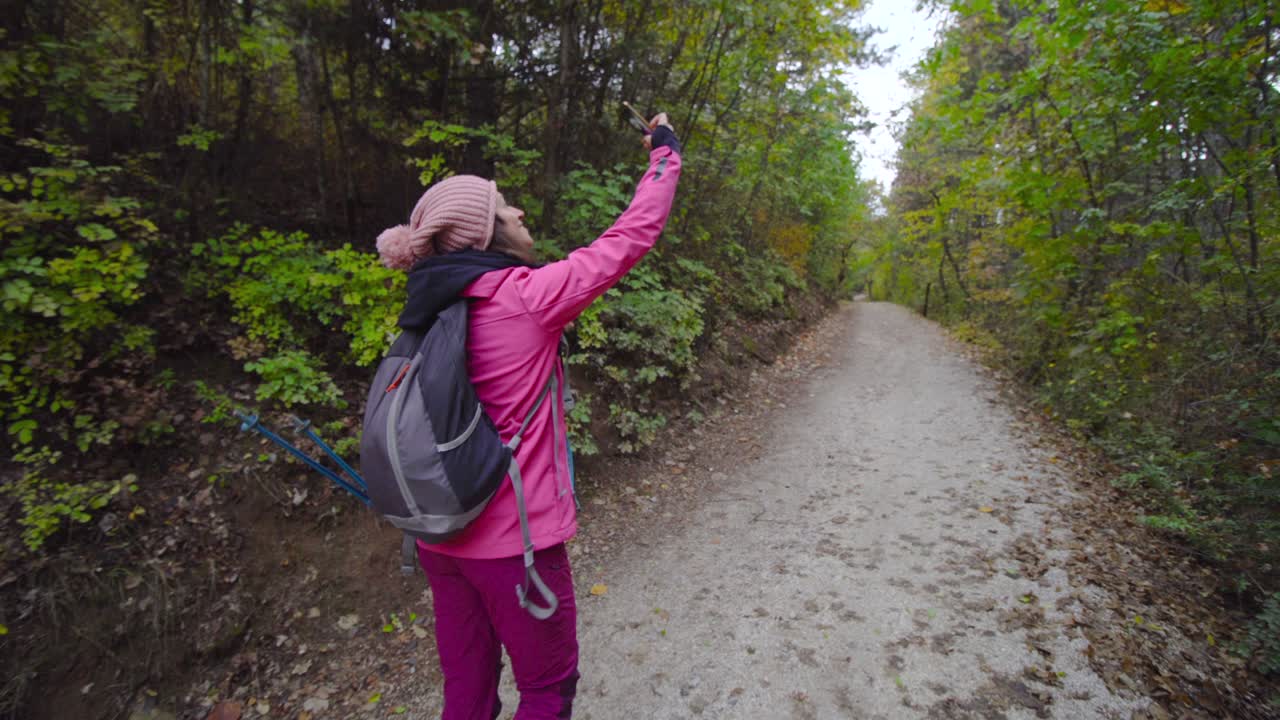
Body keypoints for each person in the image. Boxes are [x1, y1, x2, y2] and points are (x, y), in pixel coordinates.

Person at [375, 114, 682, 720]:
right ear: (480, 232)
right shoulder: (526, 298)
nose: (518, 215)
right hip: (517, 552)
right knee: (546, 690)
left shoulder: (424, 312)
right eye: (506, 208)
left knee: (466, 691)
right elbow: (631, 235)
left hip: (440, 539)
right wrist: (665, 155)